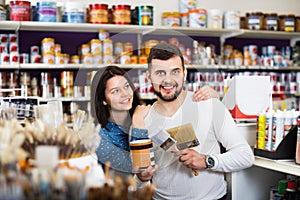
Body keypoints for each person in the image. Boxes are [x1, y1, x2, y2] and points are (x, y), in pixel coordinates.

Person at [132, 43, 254, 199]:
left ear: (184, 73)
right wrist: (142, 178)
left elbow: (245, 156)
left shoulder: (210, 106)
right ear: (148, 77)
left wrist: (206, 160)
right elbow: (139, 184)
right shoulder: (142, 120)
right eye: (160, 73)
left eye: (175, 72)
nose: (168, 80)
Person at [90, 65, 218, 175]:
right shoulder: (99, 138)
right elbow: (138, 168)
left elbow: (169, 144)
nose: (125, 94)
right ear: (103, 99)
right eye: (115, 91)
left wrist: (211, 98)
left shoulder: (146, 114)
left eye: (126, 86)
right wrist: (138, 124)